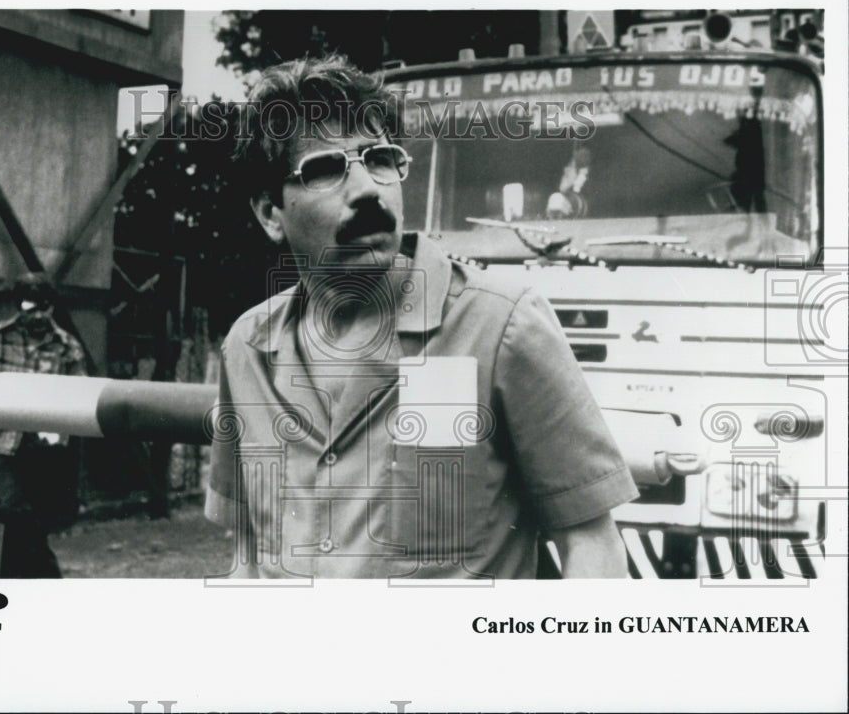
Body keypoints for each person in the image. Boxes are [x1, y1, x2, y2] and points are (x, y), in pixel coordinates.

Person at [204, 56, 638, 579]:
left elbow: (592, 546)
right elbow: (250, 554)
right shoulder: (247, 348)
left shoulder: (500, 327)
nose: (368, 190)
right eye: (324, 170)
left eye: (381, 160)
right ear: (271, 214)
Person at [0, 272, 86, 577]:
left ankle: (12, 581)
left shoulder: (67, 346)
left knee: (33, 519)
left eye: (42, 307)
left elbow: (80, 394)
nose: (36, 314)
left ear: (51, 307)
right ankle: (49, 576)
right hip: (3, 441)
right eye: (28, 305)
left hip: (46, 447)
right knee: (14, 509)